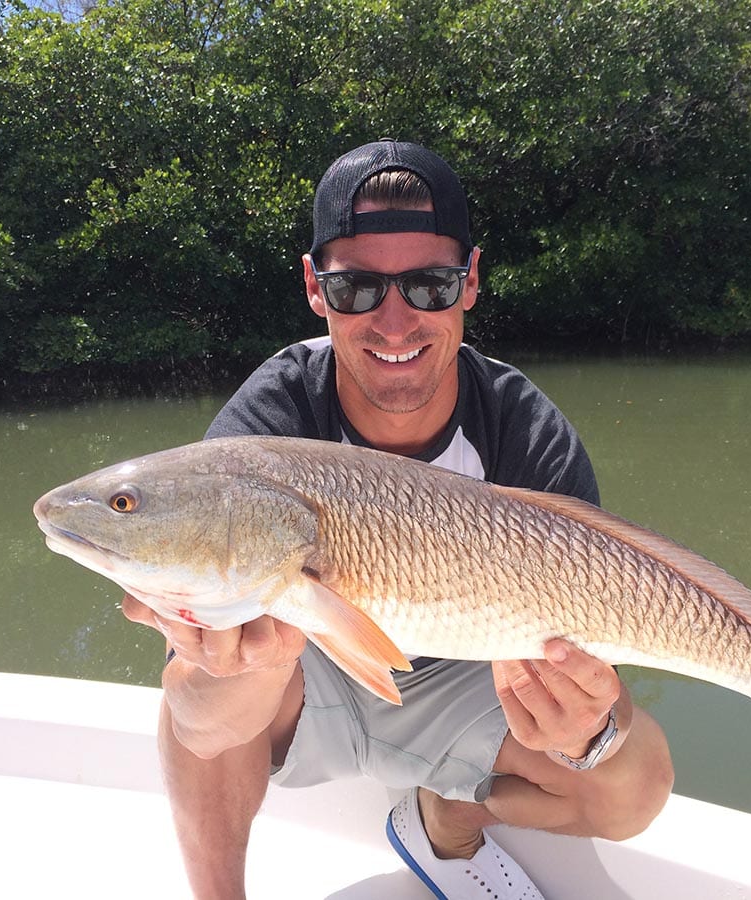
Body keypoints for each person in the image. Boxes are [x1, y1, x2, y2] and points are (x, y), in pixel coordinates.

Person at [122, 139, 674, 900]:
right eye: (355, 288)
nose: (394, 321)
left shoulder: (524, 431)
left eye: (429, 284)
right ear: (316, 289)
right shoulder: (269, 422)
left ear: (471, 281)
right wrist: (223, 658)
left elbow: (584, 637)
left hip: (472, 677)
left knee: (632, 781)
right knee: (202, 681)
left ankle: (445, 812)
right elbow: (209, 728)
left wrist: (585, 730)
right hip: (305, 664)